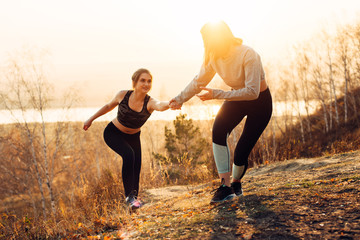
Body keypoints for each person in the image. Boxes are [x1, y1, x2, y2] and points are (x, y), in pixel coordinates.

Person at [170, 21, 272, 203]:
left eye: (207, 40)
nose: (206, 45)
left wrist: (217, 94)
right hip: (236, 98)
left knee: (241, 152)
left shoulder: (248, 54)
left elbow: (252, 92)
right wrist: (179, 99)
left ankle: (236, 182)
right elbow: (198, 81)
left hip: (259, 103)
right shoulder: (213, 56)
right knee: (218, 130)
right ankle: (225, 187)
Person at [83, 68, 169, 210]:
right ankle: (129, 197)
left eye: (149, 81)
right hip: (113, 133)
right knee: (129, 155)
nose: (146, 84)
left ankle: (134, 202)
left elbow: (160, 105)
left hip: (134, 137)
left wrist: (171, 103)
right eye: (142, 80)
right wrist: (90, 119)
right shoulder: (123, 95)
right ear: (134, 82)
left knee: (136, 166)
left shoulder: (150, 102)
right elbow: (107, 106)